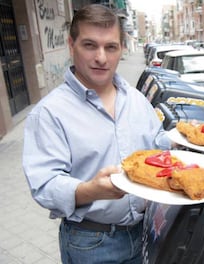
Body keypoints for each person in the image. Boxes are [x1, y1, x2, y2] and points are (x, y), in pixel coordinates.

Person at [22, 4, 170, 264]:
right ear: (71, 44)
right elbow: (44, 185)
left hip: (147, 231)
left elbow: (160, 149)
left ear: (121, 48)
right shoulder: (49, 113)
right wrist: (90, 190)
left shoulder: (137, 100)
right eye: (90, 45)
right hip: (92, 242)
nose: (101, 57)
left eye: (110, 47)